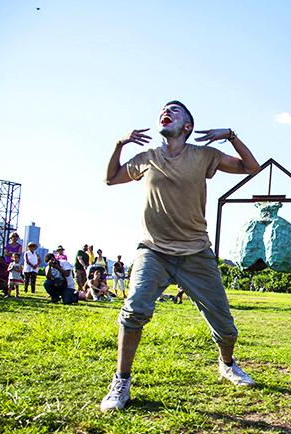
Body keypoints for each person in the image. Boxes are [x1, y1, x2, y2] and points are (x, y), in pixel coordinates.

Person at [101, 100, 261, 412]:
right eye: (164, 109)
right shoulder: (147, 158)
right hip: (153, 250)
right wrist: (119, 144)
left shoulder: (203, 155)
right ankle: (121, 382)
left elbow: (251, 169)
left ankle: (227, 364)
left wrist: (231, 135)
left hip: (196, 252)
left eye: (175, 111)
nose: (167, 112)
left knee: (225, 327)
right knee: (134, 311)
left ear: (187, 126)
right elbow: (111, 178)